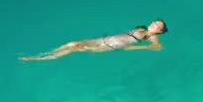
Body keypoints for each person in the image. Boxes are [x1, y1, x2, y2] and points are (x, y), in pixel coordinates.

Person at [18, 19, 169, 62]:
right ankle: (50, 52)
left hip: (109, 45)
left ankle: (38, 58)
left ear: (160, 31)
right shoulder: (142, 28)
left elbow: (156, 47)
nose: (154, 23)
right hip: (103, 40)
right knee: (73, 43)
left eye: (158, 25)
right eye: (155, 22)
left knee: (74, 49)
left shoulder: (151, 36)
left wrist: (149, 47)